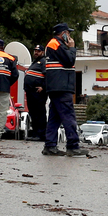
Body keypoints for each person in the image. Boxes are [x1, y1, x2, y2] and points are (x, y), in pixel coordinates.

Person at [43, 22, 81, 156]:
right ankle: (73, 146)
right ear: (63, 33)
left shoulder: (54, 44)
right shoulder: (57, 44)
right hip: (61, 87)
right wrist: (72, 48)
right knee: (68, 116)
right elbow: (70, 60)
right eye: (68, 33)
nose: (69, 36)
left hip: (56, 86)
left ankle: (50, 145)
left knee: (55, 117)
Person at [23, 44, 47, 142]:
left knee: (39, 114)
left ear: (42, 52)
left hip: (38, 92)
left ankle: (41, 134)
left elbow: (48, 75)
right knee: (33, 113)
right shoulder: (35, 62)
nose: (36, 52)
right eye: (35, 51)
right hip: (31, 92)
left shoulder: (43, 61)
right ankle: (35, 133)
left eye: (38, 51)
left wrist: (43, 87)